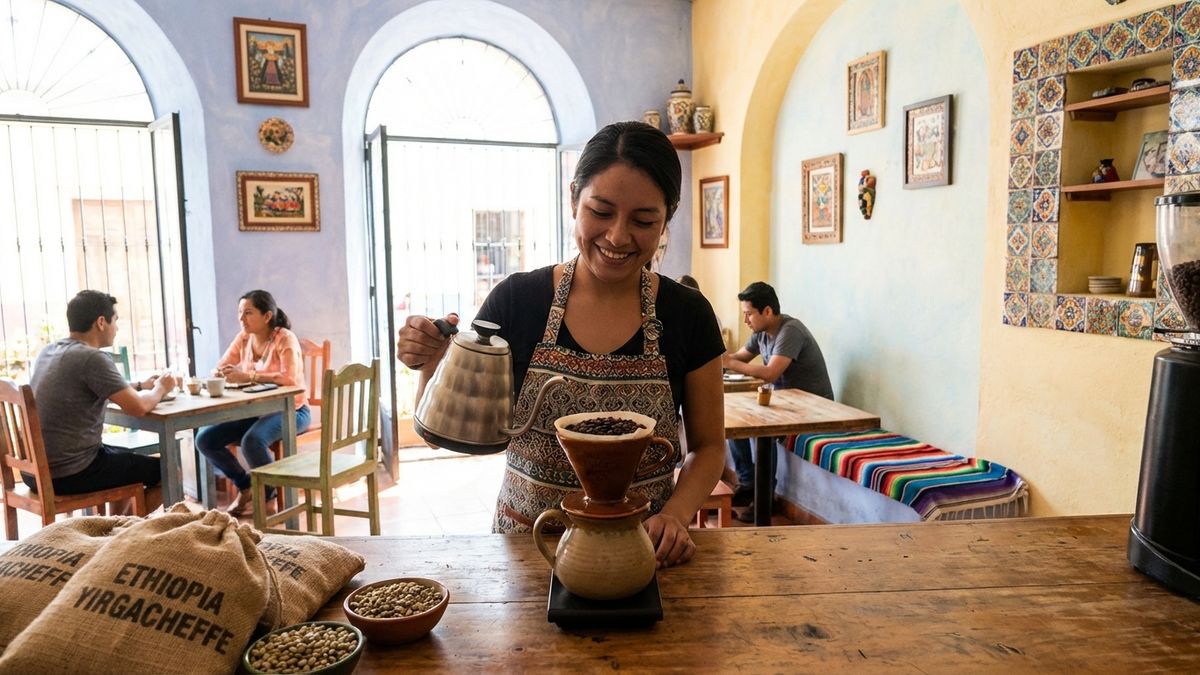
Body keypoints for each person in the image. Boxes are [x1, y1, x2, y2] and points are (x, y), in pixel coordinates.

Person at [398, 121, 726, 568]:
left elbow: (708, 447)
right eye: (602, 211)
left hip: (640, 552)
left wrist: (675, 515)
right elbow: (442, 437)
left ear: (668, 217)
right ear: (574, 198)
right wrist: (430, 366)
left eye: (644, 220)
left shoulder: (688, 314)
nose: (617, 236)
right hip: (527, 552)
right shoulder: (518, 301)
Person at [26, 290, 174, 512]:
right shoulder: (92, 358)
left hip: (34, 472)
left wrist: (141, 385)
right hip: (69, 473)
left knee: (125, 463)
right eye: (116, 321)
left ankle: (114, 531)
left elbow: (91, 387)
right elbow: (138, 407)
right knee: (170, 470)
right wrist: (161, 388)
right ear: (101, 322)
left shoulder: (49, 351)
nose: (117, 328)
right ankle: (120, 534)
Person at [722, 281, 833, 520]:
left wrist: (729, 362)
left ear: (768, 311)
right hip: (786, 403)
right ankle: (749, 484)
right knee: (733, 424)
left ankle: (766, 497)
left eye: (749, 314)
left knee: (758, 430)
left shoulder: (790, 331)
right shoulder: (761, 333)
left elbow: (771, 373)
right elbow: (738, 357)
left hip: (814, 408)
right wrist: (718, 357)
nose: (745, 321)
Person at [195, 290, 311, 516]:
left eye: (248, 313)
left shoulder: (285, 338)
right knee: (205, 439)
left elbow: (290, 379)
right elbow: (221, 365)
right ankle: (245, 485)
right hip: (257, 411)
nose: (241, 318)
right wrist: (221, 372)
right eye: (240, 312)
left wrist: (248, 376)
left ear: (267, 316)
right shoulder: (244, 337)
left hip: (293, 410)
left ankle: (269, 495)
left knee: (252, 441)